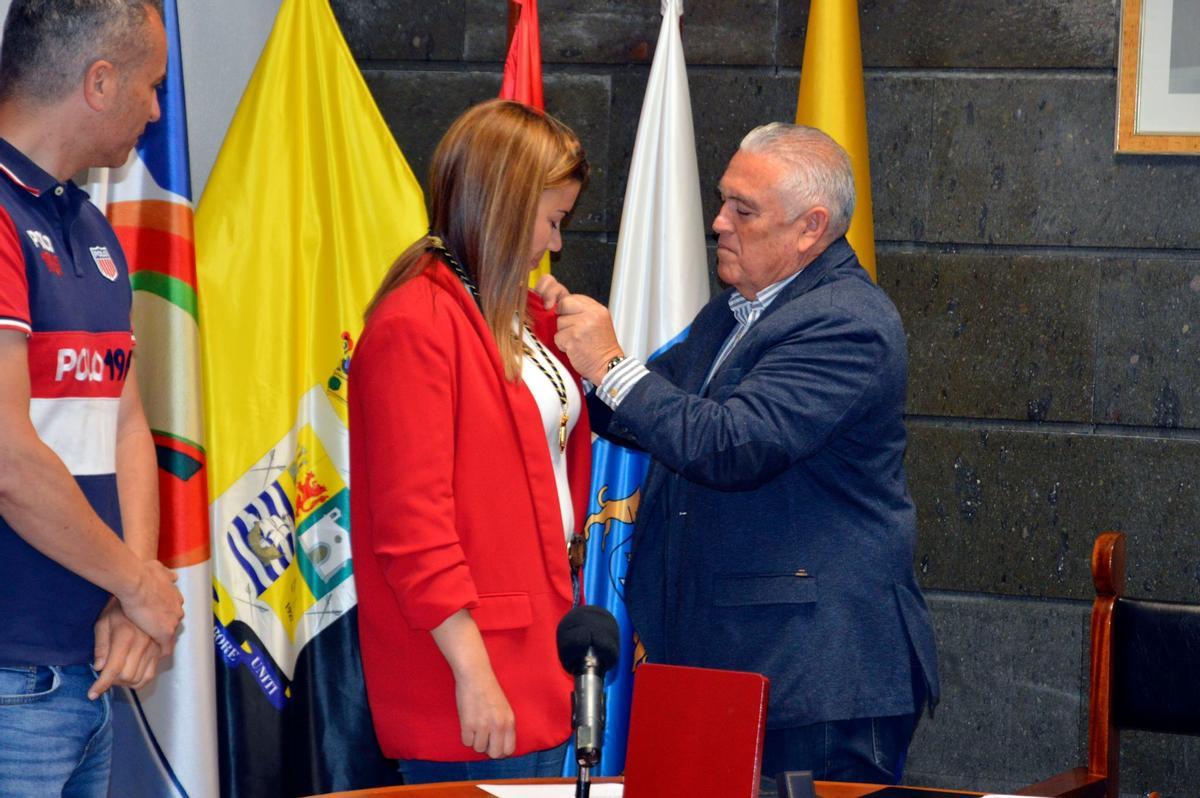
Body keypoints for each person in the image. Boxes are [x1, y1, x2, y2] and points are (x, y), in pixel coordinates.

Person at [539, 123, 940, 785]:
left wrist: (607, 362)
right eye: (723, 200)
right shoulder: (733, 311)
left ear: (811, 228)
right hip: (726, 665)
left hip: (812, 683)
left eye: (743, 210)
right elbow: (648, 416)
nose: (719, 222)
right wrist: (555, 344)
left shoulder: (848, 321)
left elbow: (731, 446)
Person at [349, 99, 591, 784]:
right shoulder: (417, 323)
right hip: (469, 672)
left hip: (535, 659)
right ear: (507, 205)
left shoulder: (511, 314)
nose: (555, 244)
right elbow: (411, 525)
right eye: (553, 220)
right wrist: (473, 672)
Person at [0, 1, 185, 795]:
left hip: (87, 669)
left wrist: (128, 587)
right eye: (151, 86)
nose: (156, 110)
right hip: (11, 677)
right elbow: (8, 458)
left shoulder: (90, 225)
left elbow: (125, 421)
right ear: (99, 82)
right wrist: (141, 588)